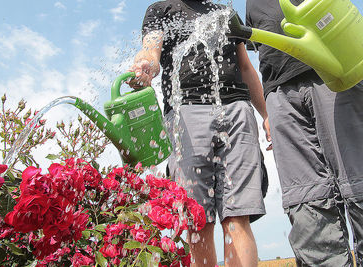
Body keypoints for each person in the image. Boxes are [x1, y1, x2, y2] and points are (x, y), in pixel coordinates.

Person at [128, 0, 269, 266]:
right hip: (186, 116)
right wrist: (145, 65)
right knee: (197, 218)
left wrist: (266, 114)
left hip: (237, 112)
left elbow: (246, 68)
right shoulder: (162, 10)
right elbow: (150, 51)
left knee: (237, 216)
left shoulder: (226, 13)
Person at [246, 0, 363, 266]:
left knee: (358, 181)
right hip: (279, 94)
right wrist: (266, 113)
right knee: (305, 198)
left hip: (335, 72)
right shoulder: (251, 5)